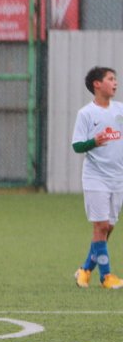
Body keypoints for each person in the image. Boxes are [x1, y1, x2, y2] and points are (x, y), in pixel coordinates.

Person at [71, 66, 123, 289]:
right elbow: (77, 146)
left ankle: (84, 269)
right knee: (100, 226)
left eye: (116, 79)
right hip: (96, 178)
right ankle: (106, 277)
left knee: (108, 228)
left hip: (118, 177)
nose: (115, 83)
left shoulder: (120, 110)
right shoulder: (86, 113)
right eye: (111, 79)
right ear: (97, 84)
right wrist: (94, 142)